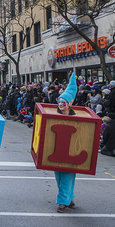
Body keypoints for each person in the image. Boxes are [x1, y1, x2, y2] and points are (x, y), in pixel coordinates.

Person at [54, 73, 78, 213]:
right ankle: (69, 197)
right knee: (59, 177)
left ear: (70, 103)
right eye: (59, 102)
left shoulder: (77, 117)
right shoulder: (53, 116)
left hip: (72, 151)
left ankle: (63, 202)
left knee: (68, 176)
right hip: (57, 151)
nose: (61, 105)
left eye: (63, 102)